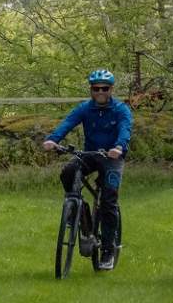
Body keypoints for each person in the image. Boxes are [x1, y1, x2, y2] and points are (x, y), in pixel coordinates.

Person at [41, 68, 132, 270]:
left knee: (108, 201)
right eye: (96, 88)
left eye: (104, 88)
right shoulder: (85, 108)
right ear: (91, 89)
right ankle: (78, 211)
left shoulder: (121, 109)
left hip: (112, 157)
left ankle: (108, 250)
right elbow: (68, 122)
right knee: (68, 171)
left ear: (111, 90)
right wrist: (53, 140)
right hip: (90, 155)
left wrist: (119, 147)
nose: (100, 92)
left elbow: (125, 129)